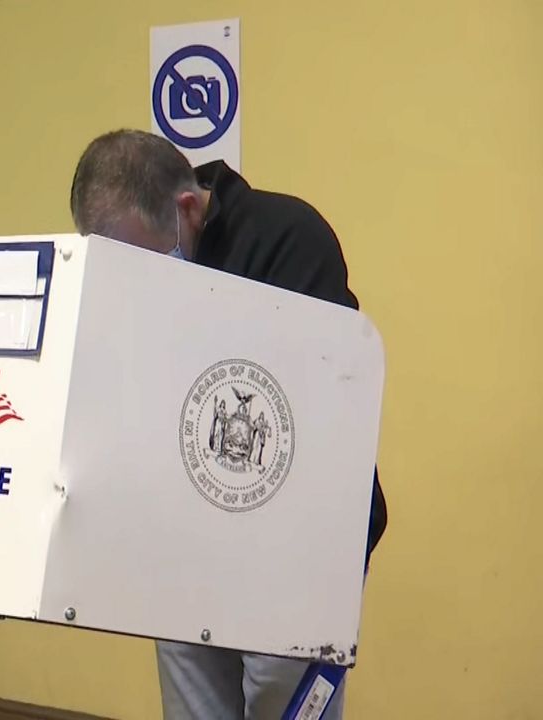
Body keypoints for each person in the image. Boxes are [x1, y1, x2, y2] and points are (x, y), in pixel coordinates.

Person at [69, 129, 388, 720]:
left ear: (187, 208)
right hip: (187, 534)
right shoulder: (132, 275)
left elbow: (320, 410)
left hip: (296, 543)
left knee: (276, 694)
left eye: (140, 260)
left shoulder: (288, 236)